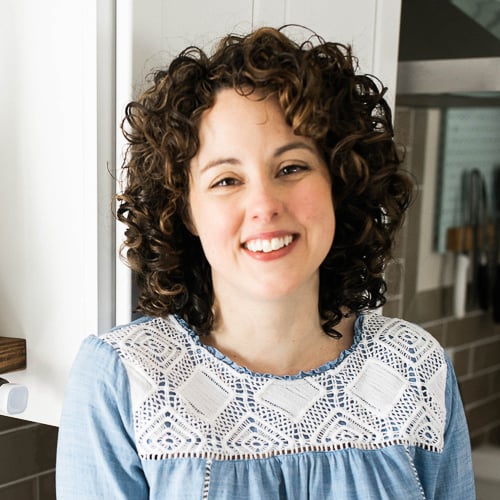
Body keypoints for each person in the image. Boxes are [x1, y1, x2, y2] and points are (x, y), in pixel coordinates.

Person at [56, 26, 475, 499]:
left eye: (291, 168)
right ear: (186, 211)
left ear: (338, 182)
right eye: (226, 180)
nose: (264, 205)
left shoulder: (416, 367)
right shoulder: (123, 378)